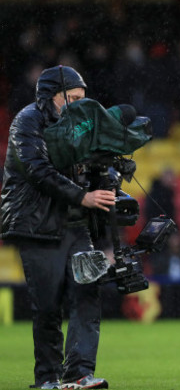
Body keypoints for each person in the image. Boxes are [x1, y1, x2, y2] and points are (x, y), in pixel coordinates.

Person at [1, 66, 114, 389]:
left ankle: (79, 373)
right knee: (48, 305)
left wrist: (107, 175)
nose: (79, 104)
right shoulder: (27, 122)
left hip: (75, 223)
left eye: (83, 98)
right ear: (51, 97)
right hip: (37, 225)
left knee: (86, 294)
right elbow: (38, 171)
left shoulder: (79, 123)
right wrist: (84, 196)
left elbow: (87, 167)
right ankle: (47, 379)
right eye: (73, 98)